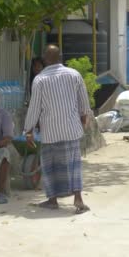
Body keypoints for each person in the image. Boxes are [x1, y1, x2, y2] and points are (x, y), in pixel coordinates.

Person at [23, 45, 92, 214]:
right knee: (73, 165)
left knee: (50, 166)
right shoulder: (74, 75)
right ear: (61, 57)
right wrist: (84, 120)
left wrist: (28, 130)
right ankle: (78, 199)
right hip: (71, 130)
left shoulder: (39, 79)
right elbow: (84, 103)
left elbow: (34, 108)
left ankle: (52, 200)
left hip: (49, 132)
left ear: (45, 60)